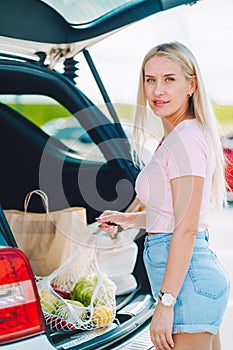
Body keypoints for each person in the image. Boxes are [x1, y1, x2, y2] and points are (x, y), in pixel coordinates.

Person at [96, 42, 230, 350]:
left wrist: (166, 304)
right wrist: (127, 219)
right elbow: (173, 213)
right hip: (191, 282)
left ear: (191, 84)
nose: (158, 90)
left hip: (187, 286)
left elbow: (185, 228)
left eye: (169, 79)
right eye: (150, 79)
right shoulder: (178, 136)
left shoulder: (186, 140)